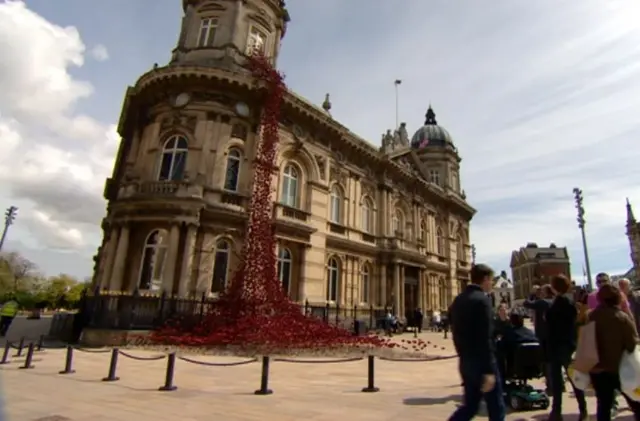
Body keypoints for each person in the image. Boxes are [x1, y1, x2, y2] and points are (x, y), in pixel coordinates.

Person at [448, 263, 505, 421]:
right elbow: (485, 336)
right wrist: (489, 370)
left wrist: (463, 354)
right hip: (483, 362)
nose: (492, 284)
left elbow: (455, 332)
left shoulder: (458, 300)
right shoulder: (482, 300)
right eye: (491, 281)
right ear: (485, 279)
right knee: (496, 407)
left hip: (465, 362)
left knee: (470, 406)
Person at [589, 283, 640, 421]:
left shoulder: (590, 317)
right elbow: (631, 344)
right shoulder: (622, 318)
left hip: (598, 369)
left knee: (603, 406)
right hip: (620, 368)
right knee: (634, 402)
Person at [545, 274, 587, 421]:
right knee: (573, 379)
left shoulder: (557, 304)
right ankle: (582, 409)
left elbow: (551, 326)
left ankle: (557, 411)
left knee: (557, 381)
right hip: (567, 345)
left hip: (557, 346)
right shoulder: (569, 304)